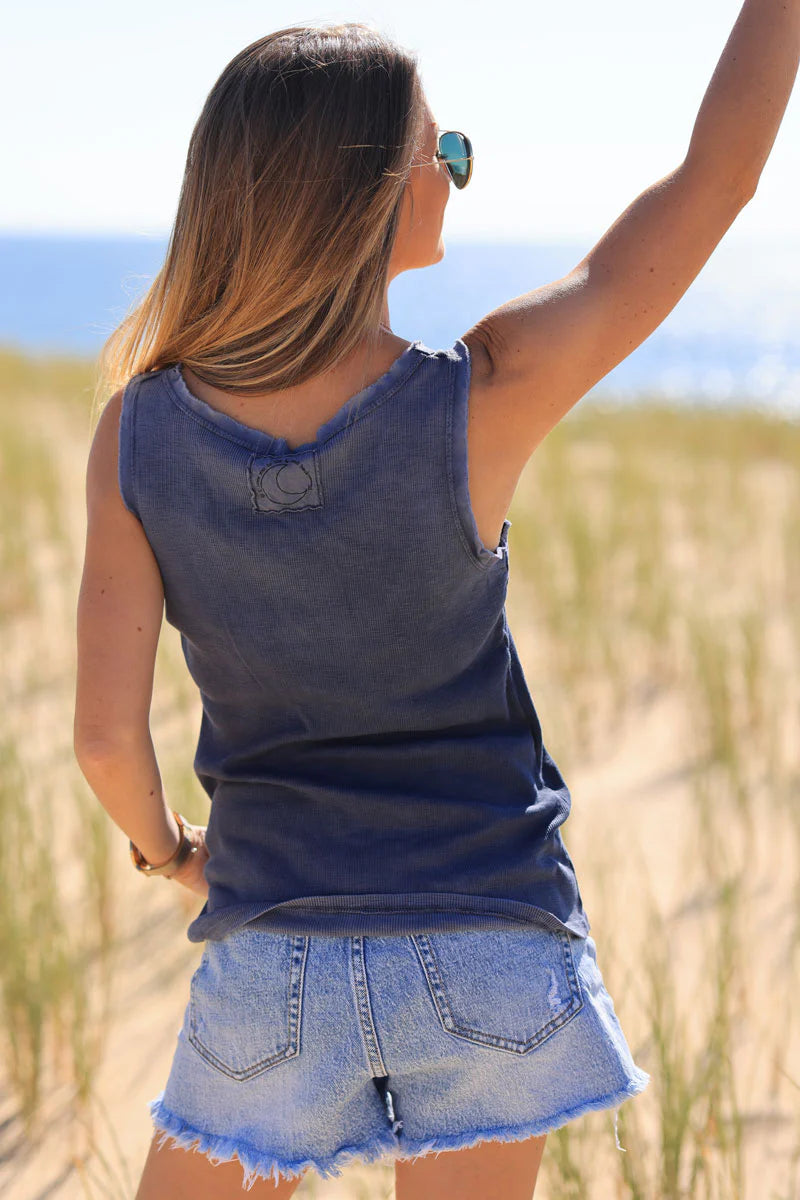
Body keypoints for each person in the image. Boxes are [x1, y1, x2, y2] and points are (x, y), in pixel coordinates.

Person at [74, 9, 798, 1198]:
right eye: (442, 151)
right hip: (491, 936)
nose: (456, 174)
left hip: (276, 942)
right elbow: (716, 179)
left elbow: (105, 737)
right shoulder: (483, 398)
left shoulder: (136, 436)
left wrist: (171, 857)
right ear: (369, 195)